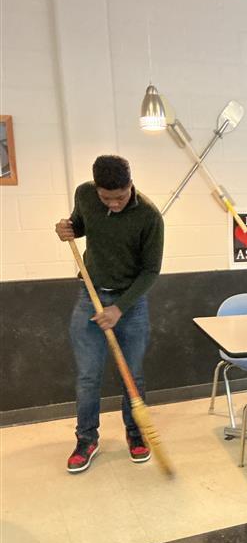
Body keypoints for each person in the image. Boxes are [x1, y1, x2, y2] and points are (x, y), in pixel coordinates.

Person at [55, 155, 164, 473]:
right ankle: (86, 440)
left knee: (133, 376)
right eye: (107, 198)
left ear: (131, 185)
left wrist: (120, 308)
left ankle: (135, 434)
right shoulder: (85, 194)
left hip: (130, 304)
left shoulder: (149, 216)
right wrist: (67, 229)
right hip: (90, 296)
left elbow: (150, 271)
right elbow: (79, 225)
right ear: (96, 189)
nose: (114, 203)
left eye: (120, 196)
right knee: (88, 377)